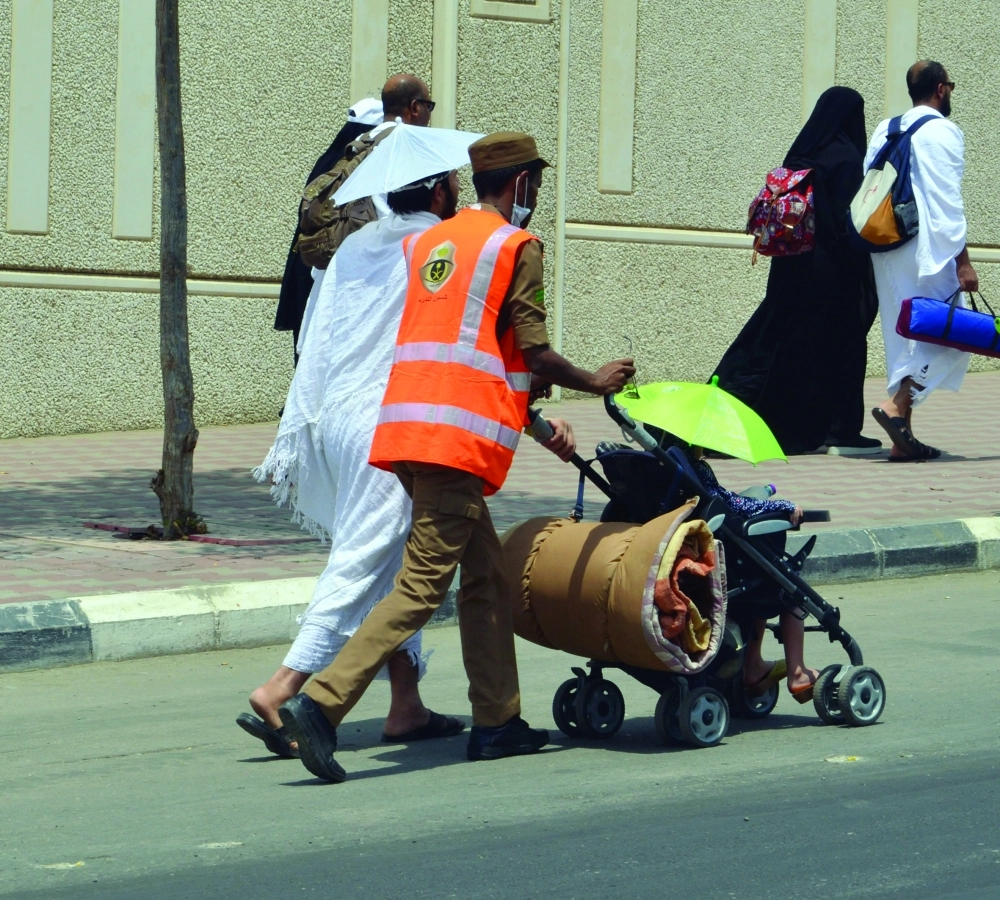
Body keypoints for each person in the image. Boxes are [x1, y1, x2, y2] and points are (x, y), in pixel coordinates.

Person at [277, 132, 636, 783]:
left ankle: (497, 721)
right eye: (536, 185)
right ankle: (321, 706)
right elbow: (531, 349)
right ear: (520, 183)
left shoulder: (432, 243)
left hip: (408, 433)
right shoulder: (514, 246)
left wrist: (526, 407)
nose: (536, 197)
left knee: (488, 578)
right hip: (452, 443)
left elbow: (468, 346)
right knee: (420, 587)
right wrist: (594, 380)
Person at [715, 86, 881, 456]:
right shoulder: (846, 158)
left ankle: (728, 417)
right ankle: (840, 431)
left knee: (772, 342)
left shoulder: (800, 155)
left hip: (790, 268)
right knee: (843, 345)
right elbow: (845, 223)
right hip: (830, 272)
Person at [273, 75, 436, 363]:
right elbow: (393, 225)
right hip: (372, 287)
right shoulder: (401, 147)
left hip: (332, 283)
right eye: (429, 106)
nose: (429, 114)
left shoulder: (358, 145)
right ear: (415, 107)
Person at [867, 61, 977, 461]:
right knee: (951, 334)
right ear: (941, 89)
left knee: (905, 337)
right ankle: (896, 405)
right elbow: (946, 201)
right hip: (927, 249)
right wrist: (963, 261)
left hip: (887, 246)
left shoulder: (886, 128)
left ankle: (904, 440)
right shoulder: (942, 130)